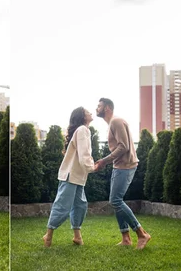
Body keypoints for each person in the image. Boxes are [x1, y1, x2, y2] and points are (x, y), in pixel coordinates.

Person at [95, 98, 151, 249]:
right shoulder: (114, 123)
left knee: (115, 200)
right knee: (116, 200)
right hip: (120, 165)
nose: (96, 108)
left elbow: (123, 147)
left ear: (107, 108)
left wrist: (103, 161)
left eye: (99, 106)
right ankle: (126, 238)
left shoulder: (116, 121)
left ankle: (141, 234)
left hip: (125, 166)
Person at [43, 107, 99, 247]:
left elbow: (83, 154)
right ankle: (48, 236)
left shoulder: (84, 130)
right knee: (62, 205)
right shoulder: (82, 130)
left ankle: (77, 237)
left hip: (78, 176)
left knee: (80, 206)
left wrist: (89, 168)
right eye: (87, 111)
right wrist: (92, 167)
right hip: (70, 175)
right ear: (82, 116)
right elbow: (84, 153)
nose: (90, 112)